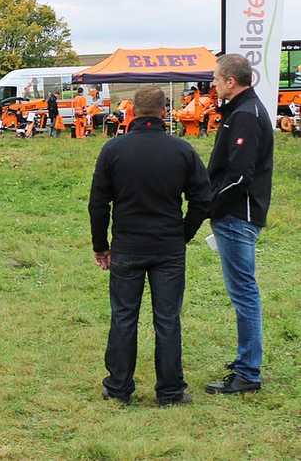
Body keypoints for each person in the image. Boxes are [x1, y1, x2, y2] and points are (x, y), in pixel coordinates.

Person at [88, 87, 211, 406]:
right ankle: (170, 391)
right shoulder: (182, 150)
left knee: (124, 315)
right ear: (164, 112)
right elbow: (202, 198)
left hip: (127, 244)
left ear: (132, 112)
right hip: (168, 245)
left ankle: (118, 387)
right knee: (167, 319)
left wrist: (101, 245)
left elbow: (99, 203)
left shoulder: (113, 150)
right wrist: (184, 233)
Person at [204, 54, 274, 395]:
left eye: (217, 79)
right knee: (244, 292)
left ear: (231, 81)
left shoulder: (246, 115)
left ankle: (248, 371)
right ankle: (247, 363)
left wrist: (208, 204)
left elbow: (240, 175)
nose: (214, 85)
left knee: (244, 293)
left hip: (237, 215)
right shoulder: (244, 110)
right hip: (237, 214)